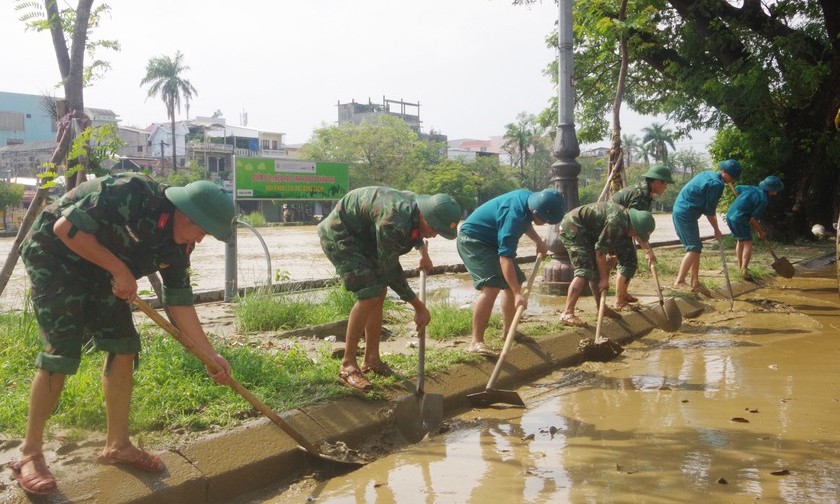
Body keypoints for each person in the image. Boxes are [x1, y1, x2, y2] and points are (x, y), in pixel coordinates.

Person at [12, 174, 236, 495]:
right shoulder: (132, 192)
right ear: (187, 214)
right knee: (61, 351)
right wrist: (119, 269)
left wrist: (208, 355)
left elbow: (179, 301)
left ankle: (118, 445)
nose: (200, 240)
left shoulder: (179, 245)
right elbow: (66, 229)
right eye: (202, 230)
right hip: (54, 251)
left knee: (124, 345)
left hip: (103, 265)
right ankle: (30, 453)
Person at [317, 186, 461, 392]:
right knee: (370, 293)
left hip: (366, 234)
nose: (435, 235)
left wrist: (423, 252)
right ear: (426, 216)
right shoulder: (392, 221)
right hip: (341, 233)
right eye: (435, 229)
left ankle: (372, 359)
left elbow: (414, 230)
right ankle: (348, 365)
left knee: (380, 291)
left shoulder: (416, 206)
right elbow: (390, 269)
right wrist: (418, 306)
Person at [457, 188, 565, 357]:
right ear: (536, 211)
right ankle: (475, 342)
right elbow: (505, 258)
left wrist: (538, 241)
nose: (545, 224)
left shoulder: (530, 201)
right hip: (473, 240)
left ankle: (509, 332)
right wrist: (516, 294)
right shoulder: (514, 216)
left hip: (492, 239)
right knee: (491, 286)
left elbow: (526, 221)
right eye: (544, 220)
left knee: (514, 281)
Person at [558, 201, 655, 327]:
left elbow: (605, 247)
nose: (634, 236)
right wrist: (604, 279)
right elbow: (600, 250)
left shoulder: (625, 219)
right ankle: (567, 313)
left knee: (595, 272)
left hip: (587, 231)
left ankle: (602, 308)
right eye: (636, 233)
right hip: (573, 227)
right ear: (634, 226)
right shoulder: (618, 222)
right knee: (584, 270)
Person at [672, 159, 742, 293]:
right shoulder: (717, 184)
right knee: (693, 248)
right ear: (724, 172)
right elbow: (709, 211)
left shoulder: (708, 174)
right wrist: (716, 229)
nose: (732, 180)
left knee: (696, 247)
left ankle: (695, 281)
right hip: (685, 213)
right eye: (732, 177)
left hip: (685, 211)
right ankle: (679, 281)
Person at [610, 164, 674, 308]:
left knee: (630, 261)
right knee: (628, 263)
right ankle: (619, 301)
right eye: (666, 183)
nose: (666, 187)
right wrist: (648, 250)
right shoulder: (641, 195)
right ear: (657, 182)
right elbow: (637, 225)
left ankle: (623, 294)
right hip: (616, 226)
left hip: (621, 224)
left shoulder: (645, 192)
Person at [725, 175, 784, 280]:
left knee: (740, 240)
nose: (778, 192)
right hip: (740, 218)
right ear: (772, 190)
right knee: (748, 242)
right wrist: (760, 232)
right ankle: (744, 270)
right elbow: (753, 219)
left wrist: (741, 197)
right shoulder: (763, 200)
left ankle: (740, 267)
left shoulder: (752, 188)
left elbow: (737, 188)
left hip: (730, 216)